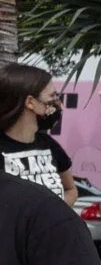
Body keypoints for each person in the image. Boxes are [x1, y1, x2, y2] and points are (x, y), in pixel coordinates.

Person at [0, 65, 75, 206]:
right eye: (52, 96)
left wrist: (56, 215)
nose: (59, 103)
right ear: (30, 102)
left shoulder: (48, 144)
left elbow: (71, 189)